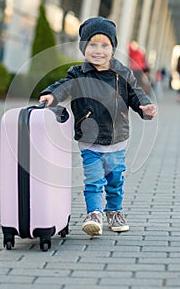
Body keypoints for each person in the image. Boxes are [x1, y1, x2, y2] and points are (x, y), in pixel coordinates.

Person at [39, 17, 157, 237]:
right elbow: (63, 87)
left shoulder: (123, 74)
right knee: (93, 180)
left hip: (117, 140)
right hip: (89, 140)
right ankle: (94, 214)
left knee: (115, 180)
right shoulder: (78, 74)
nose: (98, 50)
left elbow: (135, 94)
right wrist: (51, 95)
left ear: (113, 48)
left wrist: (144, 107)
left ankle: (114, 211)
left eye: (104, 45)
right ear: (84, 47)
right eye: (92, 44)